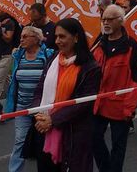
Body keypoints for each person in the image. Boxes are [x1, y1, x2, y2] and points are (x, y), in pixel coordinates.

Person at [31, 18, 101, 172]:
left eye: (62, 36)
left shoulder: (90, 67)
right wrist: (38, 113)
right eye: (56, 36)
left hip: (73, 134)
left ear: (76, 38)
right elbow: (39, 89)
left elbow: (83, 103)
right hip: (44, 129)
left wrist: (53, 120)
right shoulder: (53, 59)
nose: (57, 41)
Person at [92, 5, 137, 172]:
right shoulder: (99, 43)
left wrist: (129, 108)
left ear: (120, 21)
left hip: (120, 106)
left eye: (110, 19)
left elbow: (135, 79)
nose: (105, 22)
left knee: (118, 146)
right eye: (103, 19)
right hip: (99, 104)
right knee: (94, 139)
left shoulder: (131, 46)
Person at [5, 26, 53, 172]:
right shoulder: (18, 56)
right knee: (20, 141)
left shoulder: (48, 54)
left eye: (25, 36)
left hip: (42, 108)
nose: (21, 39)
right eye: (21, 36)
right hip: (22, 107)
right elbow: (13, 79)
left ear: (37, 39)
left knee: (44, 143)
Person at [0, 11, 21, 99]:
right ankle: (16, 91)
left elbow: (8, 38)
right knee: (5, 78)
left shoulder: (10, 23)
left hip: (6, 54)